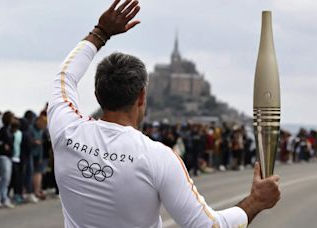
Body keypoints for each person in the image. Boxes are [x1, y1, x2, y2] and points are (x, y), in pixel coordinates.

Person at [47, 1, 281, 227]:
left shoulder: (66, 129)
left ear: (98, 95)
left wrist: (100, 33)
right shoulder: (157, 158)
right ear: (141, 96)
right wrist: (256, 201)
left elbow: (64, 77)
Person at [0, 111, 15, 208]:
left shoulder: (10, 130)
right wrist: (3, 145)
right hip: (2, 155)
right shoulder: (2, 129)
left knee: (6, 178)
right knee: (4, 177)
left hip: (8, 156)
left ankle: (3, 197)